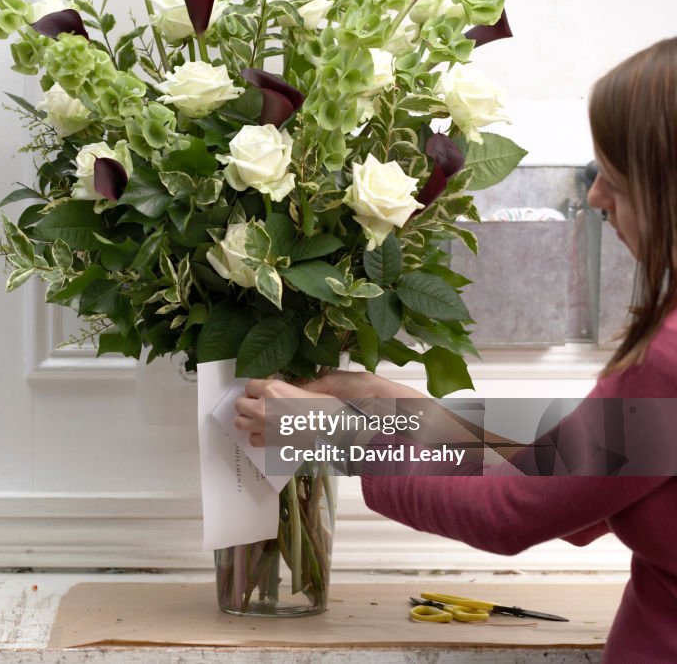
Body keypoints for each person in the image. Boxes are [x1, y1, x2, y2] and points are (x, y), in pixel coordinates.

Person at [235, 36, 677, 662]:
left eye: (616, 175)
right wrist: (389, 405)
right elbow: (567, 466)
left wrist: (340, 436)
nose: (599, 197)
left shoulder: (669, 357)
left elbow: (511, 508)